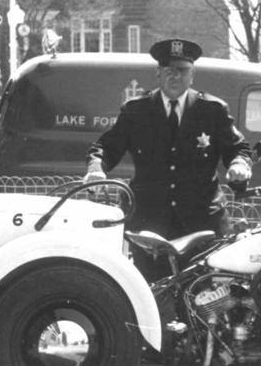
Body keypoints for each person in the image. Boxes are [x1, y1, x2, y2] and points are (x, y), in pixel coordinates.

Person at [85, 38, 252, 275]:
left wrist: (239, 164)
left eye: (182, 71)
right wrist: (95, 169)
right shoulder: (136, 111)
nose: (175, 76)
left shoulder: (212, 110)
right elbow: (105, 148)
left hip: (202, 225)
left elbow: (239, 148)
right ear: (158, 74)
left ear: (192, 76)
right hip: (150, 228)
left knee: (206, 297)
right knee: (153, 300)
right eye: (168, 71)